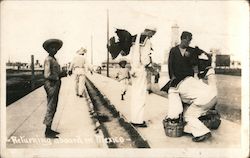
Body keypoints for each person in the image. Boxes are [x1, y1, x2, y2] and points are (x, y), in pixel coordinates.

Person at [167, 31, 217, 142]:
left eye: (190, 40)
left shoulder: (191, 50)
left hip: (188, 79)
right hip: (178, 78)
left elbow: (196, 65)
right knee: (187, 105)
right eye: (187, 40)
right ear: (182, 39)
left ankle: (197, 130)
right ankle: (190, 129)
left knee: (187, 107)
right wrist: (172, 78)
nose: (188, 42)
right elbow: (171, 65)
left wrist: (190, 58)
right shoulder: (173, 50)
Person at [130, 26, 157, 127]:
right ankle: (138, 121)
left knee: (135, 95)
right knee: (140, 96)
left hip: (133, 70)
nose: (152, 36)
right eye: (152, 34)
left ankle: (134, 118)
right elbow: (145, 59)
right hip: (141, 70)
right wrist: (152, 69)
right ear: (149, 31)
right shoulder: (146, 40)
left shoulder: (135, 37)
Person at [43, 39, 64, 138]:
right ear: (48, 49)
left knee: (53, 105)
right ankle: (47, 131)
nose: (54, 49)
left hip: (55, 83)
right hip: (51, 84)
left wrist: (61, 74)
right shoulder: (48, 59)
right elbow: (47, 74)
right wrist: (57, 77)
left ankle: (49, 127)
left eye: (56, 48)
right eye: (52, 48)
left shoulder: (54, 59)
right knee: (51, 106)